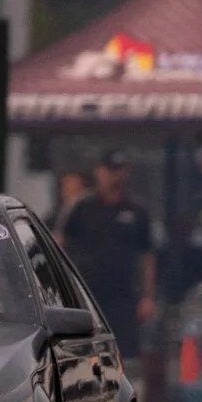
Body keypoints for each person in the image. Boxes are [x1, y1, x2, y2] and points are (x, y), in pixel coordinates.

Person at [61, 150, 156, 361]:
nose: (115, 176)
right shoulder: (82, 207)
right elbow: (61, 246)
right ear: (99, 172)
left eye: (120, 171)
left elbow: (147, 256)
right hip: (88, 293)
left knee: (124, 352)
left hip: (124, 296)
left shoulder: (136, 211)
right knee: (86, 350)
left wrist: (148, 296)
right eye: (111, 170)